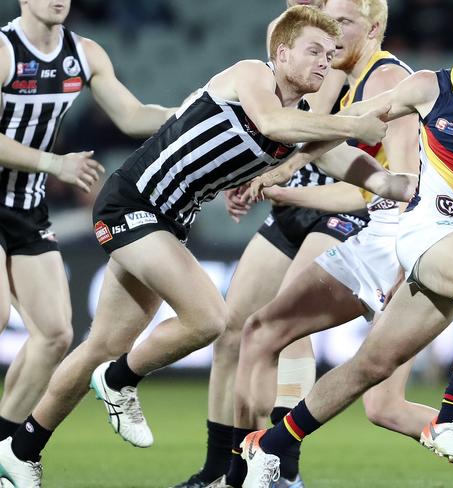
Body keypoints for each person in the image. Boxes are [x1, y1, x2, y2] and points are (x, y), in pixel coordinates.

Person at [0, 6, 415, 487]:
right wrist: (351, 125)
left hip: (166, 221)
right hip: (132, 203)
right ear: (281, 54)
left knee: (102, 344)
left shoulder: (299, 118)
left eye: (329, 54)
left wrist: (404, 186)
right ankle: (119, 381)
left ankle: (20, 449)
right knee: (211, 318)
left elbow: (353, 169)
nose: (325, 62)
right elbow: (273, 124)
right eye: (313, 51)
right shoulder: (252, 75)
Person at [240, 3, 453, 487]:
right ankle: (451, 420)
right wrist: (287, 167)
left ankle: (269, 446)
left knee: (370, 369)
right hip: (424, 232)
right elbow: (352, 119)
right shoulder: (430, 88)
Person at [171, 1, 367, 487]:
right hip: (286, 207)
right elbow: (275, 130)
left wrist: (264, 171)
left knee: (289, 329)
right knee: (230, 331)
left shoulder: (331, 64)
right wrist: (251, 178)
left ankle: (282, 471)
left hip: (333, 205)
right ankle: (220, 470)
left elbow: (303, 127)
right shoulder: (293, 55)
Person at [0, 0, 179, 447]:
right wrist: (52, 163)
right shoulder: (4, 50)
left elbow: (132, 116)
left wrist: (195, 116)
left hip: (26, 208)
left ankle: (3, 448)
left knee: (55, 336)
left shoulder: (85, 54)